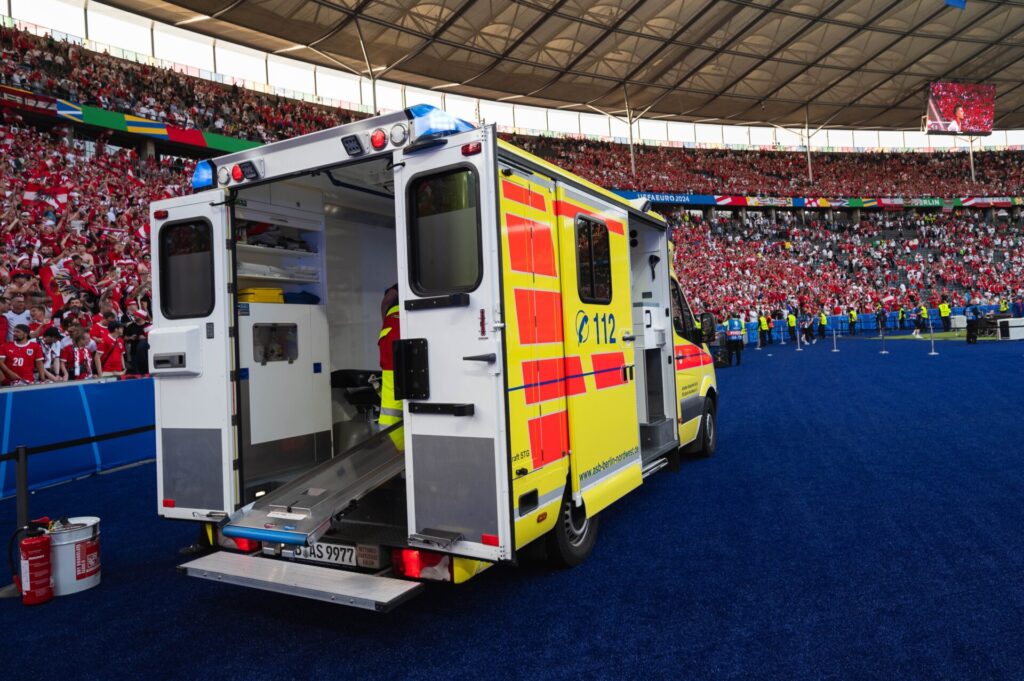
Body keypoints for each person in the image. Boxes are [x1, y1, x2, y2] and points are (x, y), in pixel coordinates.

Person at [377, 285, 404, 452]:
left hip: (389, 342)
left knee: (391, 411)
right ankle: (402, 453)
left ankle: (398, 451)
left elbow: (386, 301)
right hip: (399, 337)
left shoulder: (393, 295)